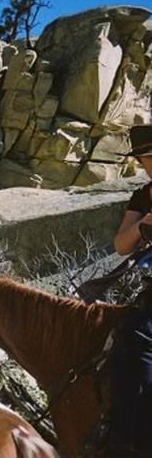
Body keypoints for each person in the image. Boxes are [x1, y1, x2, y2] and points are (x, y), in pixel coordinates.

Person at [108, 125, 152, 457]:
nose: (144, 165)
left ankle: (132, 439)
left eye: (147, 158)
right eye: (143, 159)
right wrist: (145, 221)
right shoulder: (144, 196)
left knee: (140, 338)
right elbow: (122, 245)